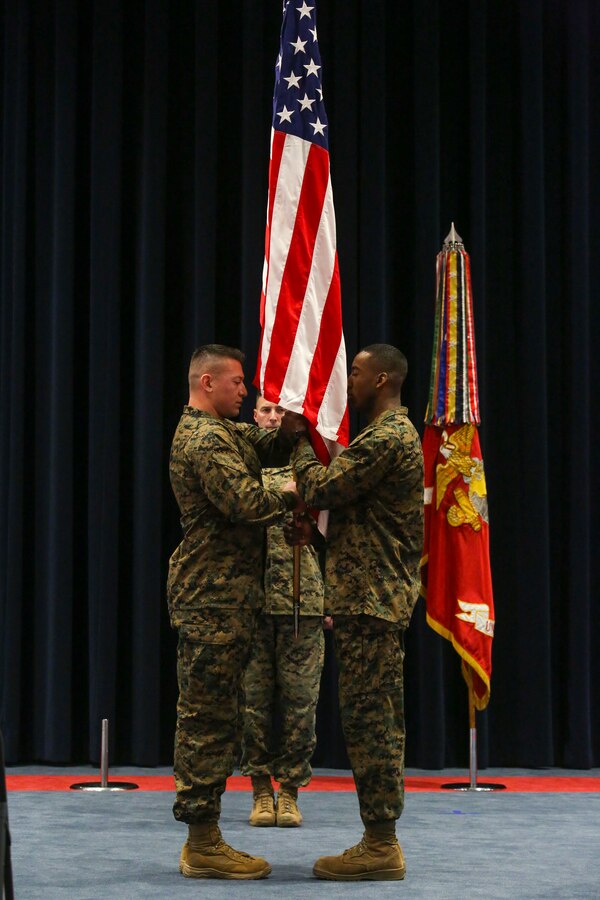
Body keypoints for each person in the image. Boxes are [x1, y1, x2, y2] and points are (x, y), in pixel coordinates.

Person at [167, 344, 305, 881]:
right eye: (238, 383)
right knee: (207, 720)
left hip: (228, 599)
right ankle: (201, 842)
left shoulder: (223, 432)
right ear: (207, 383)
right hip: (210, 598)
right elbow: (244, 502)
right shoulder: (203, 438)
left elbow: (264, 441)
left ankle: (206, 838)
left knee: (221, 718)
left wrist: (299, 420)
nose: (246, 392)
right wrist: (296, 491)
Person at [286, 343, 424, 882]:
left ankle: (381, 843)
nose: (350, 381)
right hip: (368, 596)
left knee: (373, 725)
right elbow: (359, 514)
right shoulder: (380, 438)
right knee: (372, 719)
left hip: (372, 599)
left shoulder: (389, 436)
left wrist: (300, 440)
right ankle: (379, 837)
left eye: (358, 372)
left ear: (383, 378)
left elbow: (323, 486)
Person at [240, 394, 325, 828]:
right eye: (266, 411)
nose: (273, 418)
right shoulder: (241, 460)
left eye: (280, 412)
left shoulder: (309, 464)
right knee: (253, 704)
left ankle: (289, 791)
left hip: (302, 599)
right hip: (251, 601)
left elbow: (333, 532)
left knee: (299, 704)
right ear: (253, 416)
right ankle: (259, 789)